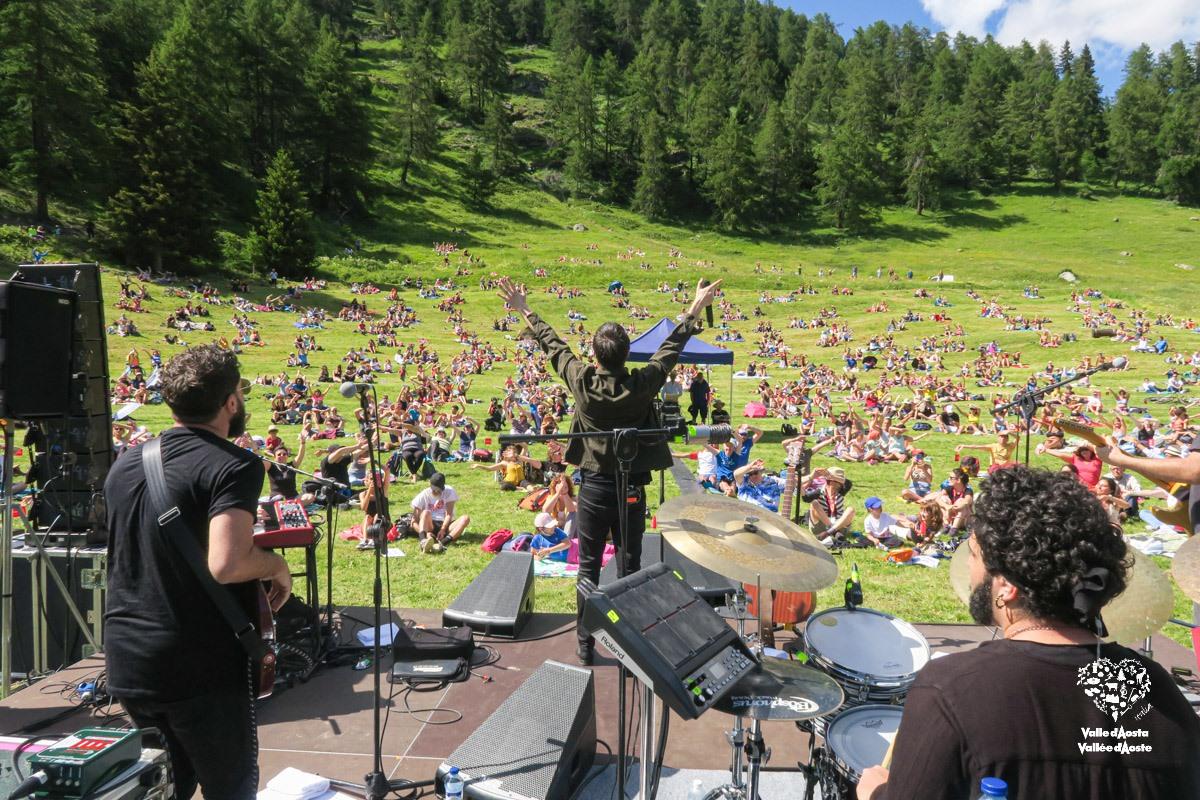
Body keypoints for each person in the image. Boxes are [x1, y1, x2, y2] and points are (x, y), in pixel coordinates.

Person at [856, 467, 1200, 799]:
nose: (970, 571)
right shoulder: (1156, 687)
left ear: (1006, 585)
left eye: (974, 556)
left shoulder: (950, 688)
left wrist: (877, 792)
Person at [497, 275, 722, 665]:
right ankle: (632, 646)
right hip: (632, 488)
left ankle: (585, 644)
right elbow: (670, 350)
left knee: (588, 567)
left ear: (595, 355)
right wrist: (694, 308)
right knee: (631, 566)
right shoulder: (643, 384)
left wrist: (524, 308)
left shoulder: (582, 383)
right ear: (627, 353)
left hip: (596, 488)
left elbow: (555, 347)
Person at [104, 345, 292, 799]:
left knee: (165, 786)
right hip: (197, 661)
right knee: (230, 787)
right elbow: (227, 564)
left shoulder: (125, 465)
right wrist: (277, 564)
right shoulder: (235, 464)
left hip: (129, 655)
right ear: (230, 402)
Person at [410, 472, 471, 553]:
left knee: (465, 518)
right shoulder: (423, 495)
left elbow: (448, 514)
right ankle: (423, 542)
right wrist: (427, 533)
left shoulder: (449, 491)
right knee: (425, 512)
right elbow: (413, 522)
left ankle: (442, 543)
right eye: (433, 489)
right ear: (429, 484)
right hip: (430, 525)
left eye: (438, 490)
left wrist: (443, 529)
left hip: (447, 524)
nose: (435, 491)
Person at [801, 466, 855, 543]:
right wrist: (811, 477)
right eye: (835, 482)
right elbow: (805, 497)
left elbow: (849, 483)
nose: (838, 485)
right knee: (814, 503)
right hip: (821, 528)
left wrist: (831, 476)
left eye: (839, 482)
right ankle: (833, 530)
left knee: (851, 509)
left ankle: (830, 532)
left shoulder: (841, 491)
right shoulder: (819, 492)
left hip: (839, 527)